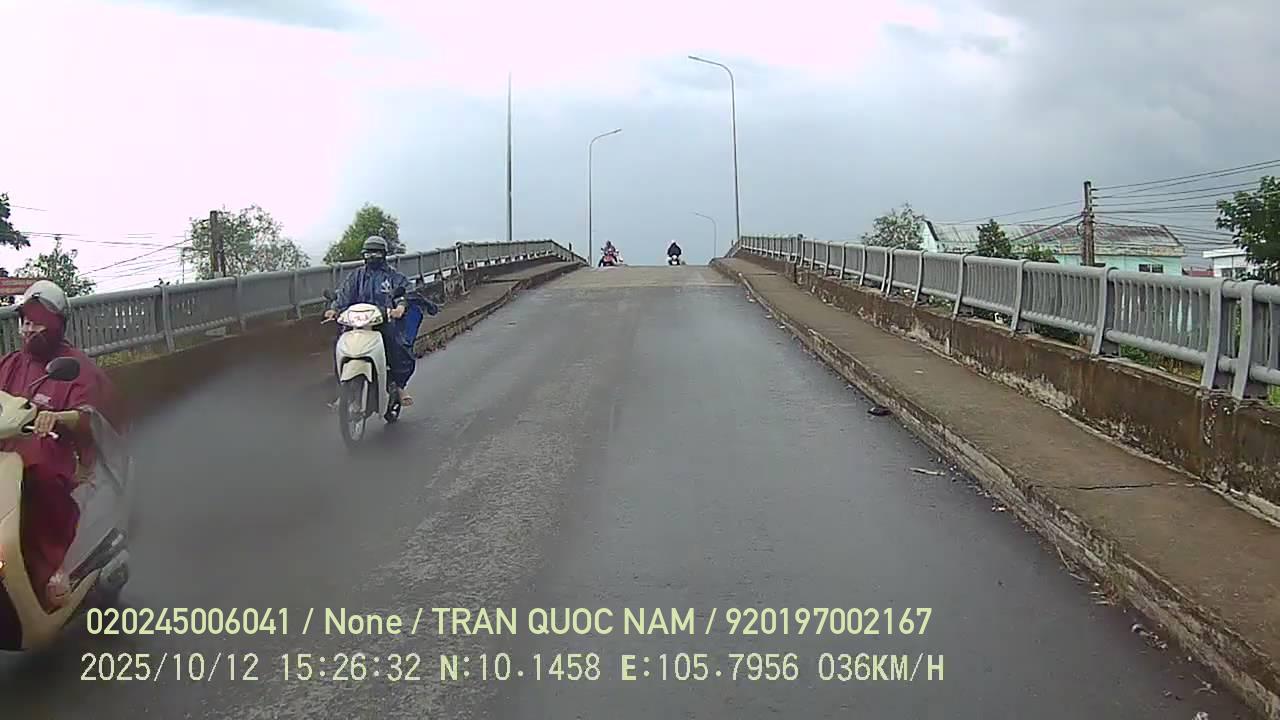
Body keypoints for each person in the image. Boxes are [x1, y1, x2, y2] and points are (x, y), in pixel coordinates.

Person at [0, 280, 121, 610]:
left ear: (57, 324)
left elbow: (90, 415)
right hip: (7, 458)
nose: (29, 329)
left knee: (40, 479)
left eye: (39, 322)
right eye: (26, 321)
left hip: (57, 456)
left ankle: (53, 572)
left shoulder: (75, 367)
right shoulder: (10, 363)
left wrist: (58, 417)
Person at [324, 236, 416, 407]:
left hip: (383, 322)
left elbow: (404, 291)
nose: (372, 256)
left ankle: (399, 386)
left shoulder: (393, 276)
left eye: (376, 253)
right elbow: (343, 295)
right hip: (356, 324)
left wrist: (400, 307)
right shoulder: (356, 276)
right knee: (339, 345)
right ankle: (343, 389)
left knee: (397, 346)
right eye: (368, 253)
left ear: (384, 254)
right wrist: (334, 309)